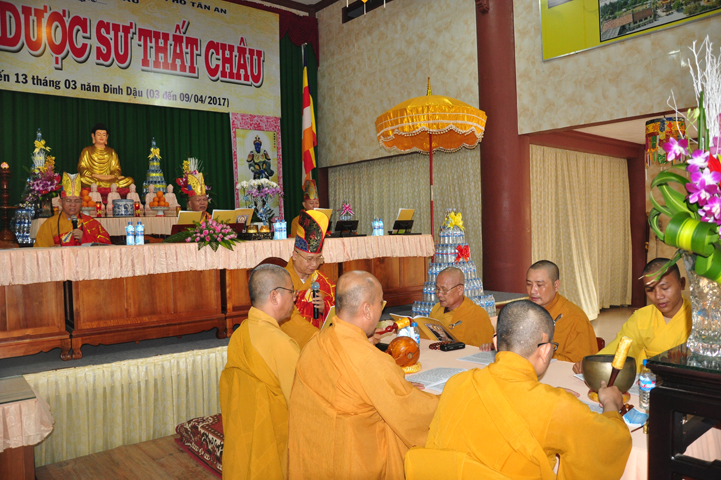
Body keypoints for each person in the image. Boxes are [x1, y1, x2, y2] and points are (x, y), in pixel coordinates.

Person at [409, 300, 631, 480]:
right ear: (545, 350)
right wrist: (611, 403)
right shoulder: (555, 405)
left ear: (496, 343)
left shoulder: (458, 383)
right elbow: (608, 445)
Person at [287, 271, 439, 480]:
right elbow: (413, 413)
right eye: (380, 304)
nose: (380, 311)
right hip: (352, 462)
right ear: (367, 309)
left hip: (314, 458)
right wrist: (451, 396)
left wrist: (394, 385)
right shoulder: (369, 360)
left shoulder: (315, 344)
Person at [219, 264, 300, 480]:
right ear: (275, 296)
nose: (295, 298)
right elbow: (303, 405)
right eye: (292, 292)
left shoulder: (240, 334)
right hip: (275, 447)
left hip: (244, 441)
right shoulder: (281, 345)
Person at [574, 258, 691, 374]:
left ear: (681, 283)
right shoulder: (642, 316)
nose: (658, 296)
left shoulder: (696, 320)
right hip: (644, 380)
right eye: (650, 290)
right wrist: (593, 363)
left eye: (665, 288)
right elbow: (620, 349)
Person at [280, 210, 335, 349]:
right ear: (295, 255)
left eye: (318, 259)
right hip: (295, 344)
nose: (314, 264)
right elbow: (287, 320)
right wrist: (317, 339)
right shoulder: (281, 282)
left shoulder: (322, 281)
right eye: (309, 259)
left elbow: (339, 307)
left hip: (321, 339)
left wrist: (324, 308)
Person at [526, 260, 598, 362]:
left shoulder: (575, 318)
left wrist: (535, 356)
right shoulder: (523, 311)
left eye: (540, 285)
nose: (533, 291)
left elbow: (576, 363)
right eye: (529, 284)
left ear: (556, 286)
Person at [34, 173, 111, 247]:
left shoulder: (91, 223)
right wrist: (53, 250)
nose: (73, 204)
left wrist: (84, 238)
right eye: (68, 200)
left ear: (81, 202)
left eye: (76, 201)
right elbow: (40, 250)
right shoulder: (49, 224)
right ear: (60, 202)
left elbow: (106, 245)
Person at [428, 266, 494, 347]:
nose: (439, 294)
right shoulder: (436, 309)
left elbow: (485, 350)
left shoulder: (477, 314)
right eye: (438, 289)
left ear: (460, 290)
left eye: (444, 290)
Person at [77, 123, 133, 188]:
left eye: (104, 135)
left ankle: (102, 185)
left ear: (107, 137)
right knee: (81, 180)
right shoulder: (87, 151)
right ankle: (109, 186)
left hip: (109, 179)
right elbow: (81, 168)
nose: (101, 137)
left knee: (130, 180)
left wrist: (111, 176)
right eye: (98, 134)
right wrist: (93, 175)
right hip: (93, 179)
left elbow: (117, 170)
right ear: (93, 136)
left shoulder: (111, 152)